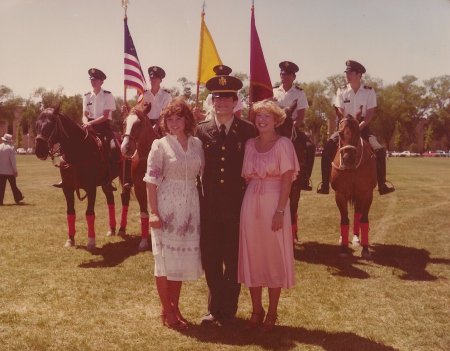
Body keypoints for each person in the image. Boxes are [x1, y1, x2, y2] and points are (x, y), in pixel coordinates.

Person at [196, 70, 256, 326]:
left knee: (233, 258)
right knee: (210, 257)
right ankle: (213, 308)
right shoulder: (200, 131)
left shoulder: (248, 131)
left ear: (235, 102)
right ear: (212, 102)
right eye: (216, 99)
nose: (221, 103)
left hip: (236, 205)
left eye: (226, 99)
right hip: (208, 205)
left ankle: (228, 309)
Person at [238, 100, 299, 332]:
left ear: (276, 120)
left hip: (276, 203)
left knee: (273, 255)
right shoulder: (249, 145)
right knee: (253, 254)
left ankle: (272, 311)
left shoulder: (283, 144)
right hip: (251, 201)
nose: (262, 120)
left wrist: (281, 210)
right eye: (258, 116)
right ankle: (256, 309)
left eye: (267, 116)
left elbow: (287, 179)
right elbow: (246, 177)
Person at [144, 97, 203, 330]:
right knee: (164, 261)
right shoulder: (160, 145)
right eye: (170, 119)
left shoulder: (197, 144)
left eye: (179, 118)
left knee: (179, 259)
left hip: (190, 206)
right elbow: (150, 181)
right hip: (166, 205)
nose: (174, 123)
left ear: (188, 120)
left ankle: (175, 306)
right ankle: (166, 310)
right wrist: (153, 212)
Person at [317, 60, 395, 196]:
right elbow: (340, 110)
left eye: (350, 72)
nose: (347, 75)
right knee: (328, 148)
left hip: (363, 127)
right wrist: (347, 126)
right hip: (344, 128)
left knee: (380, 150)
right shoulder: (341, 91)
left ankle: (382, 184)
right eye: (346, 72)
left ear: (359, 74)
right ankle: (324, 184)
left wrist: (359, 127)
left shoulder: (369, 91)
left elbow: (370, 113)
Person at [53, 68, 118, 190]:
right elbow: (84, 114)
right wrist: (85, 123)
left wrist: (90, 123)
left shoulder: (108, 95)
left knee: (113, 148)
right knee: (71, 144)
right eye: (91, 79)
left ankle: (108, 179)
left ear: (101, 82)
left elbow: (105, 116)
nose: (92, 81)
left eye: (95, 79)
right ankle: (66, 176)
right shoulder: (87, 96)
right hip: (88, 127)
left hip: (103, 128)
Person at [273, 60, 315, 242]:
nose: (284, 76)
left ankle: (304, 178)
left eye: (288, 74)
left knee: (309, 146)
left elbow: (302, 115)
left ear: (293, 77)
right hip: (273, 129)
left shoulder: (299, 93)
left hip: (292, 128)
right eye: (282, 73)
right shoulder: (273, 91)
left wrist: (291, 127)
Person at [0, 133, 24, 205]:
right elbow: (12, 161)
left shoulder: (0, 147)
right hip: (10, 171)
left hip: (1, 171)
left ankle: (0, 201)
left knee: (1, 187)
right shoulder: (11, 148)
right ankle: (18, 198)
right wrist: (15, 170)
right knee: (13, 186)